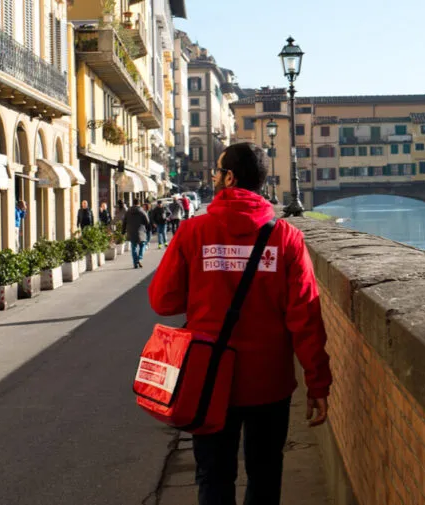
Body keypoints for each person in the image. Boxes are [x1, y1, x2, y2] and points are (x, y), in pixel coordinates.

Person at [148, 142, 332, 505]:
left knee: (214, 477)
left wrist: (207, 285)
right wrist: (317, 382)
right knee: (265, 474)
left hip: (209, 378)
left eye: (217, 172)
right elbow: (305, 316)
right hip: (269, 382)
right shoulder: (287, 238)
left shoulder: (192, 233)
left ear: (229, 177)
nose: (214, 177)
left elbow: (162, 301)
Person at [121, 201, 150, 268]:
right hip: (141, 231)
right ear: (138, 203)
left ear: (133, 203)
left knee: (133, 247)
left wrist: (123, 232)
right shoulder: (142, 211)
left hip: (131, 231)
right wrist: (148, 229)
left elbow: (124, 222)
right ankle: (139, 258)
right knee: (142, 245)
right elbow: (147, 221)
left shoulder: (128, 211)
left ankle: (135, 263)